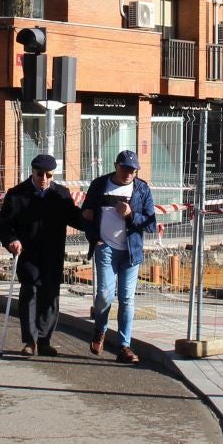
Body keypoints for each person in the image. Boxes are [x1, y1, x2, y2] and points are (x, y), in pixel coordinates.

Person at [0, 152, 86, 357]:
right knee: (30, 293)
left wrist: (89, 218)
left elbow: (74, 218)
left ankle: (45, 340)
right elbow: (3, 224)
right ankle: (30, 341)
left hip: (53, 253)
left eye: (49, 175)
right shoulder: (17, 194)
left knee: (51, 295)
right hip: (27, 253)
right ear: (32, 173)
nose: (44, 178)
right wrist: (11, 240)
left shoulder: (61, 194)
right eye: (39, 174)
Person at [82, 149, 156, 362]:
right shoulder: (99, 184)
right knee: (105, 293)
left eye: (133, 170)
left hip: (131, 252)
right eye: (125, 168)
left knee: (126, 298)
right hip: (105, 247)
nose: (128, 173)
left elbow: (151, 223)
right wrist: (93, 237)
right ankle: (100, 330)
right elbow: (86, 214)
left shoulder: (141, 189)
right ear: (116, 165)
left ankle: (124, 346)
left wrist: (131, 215)